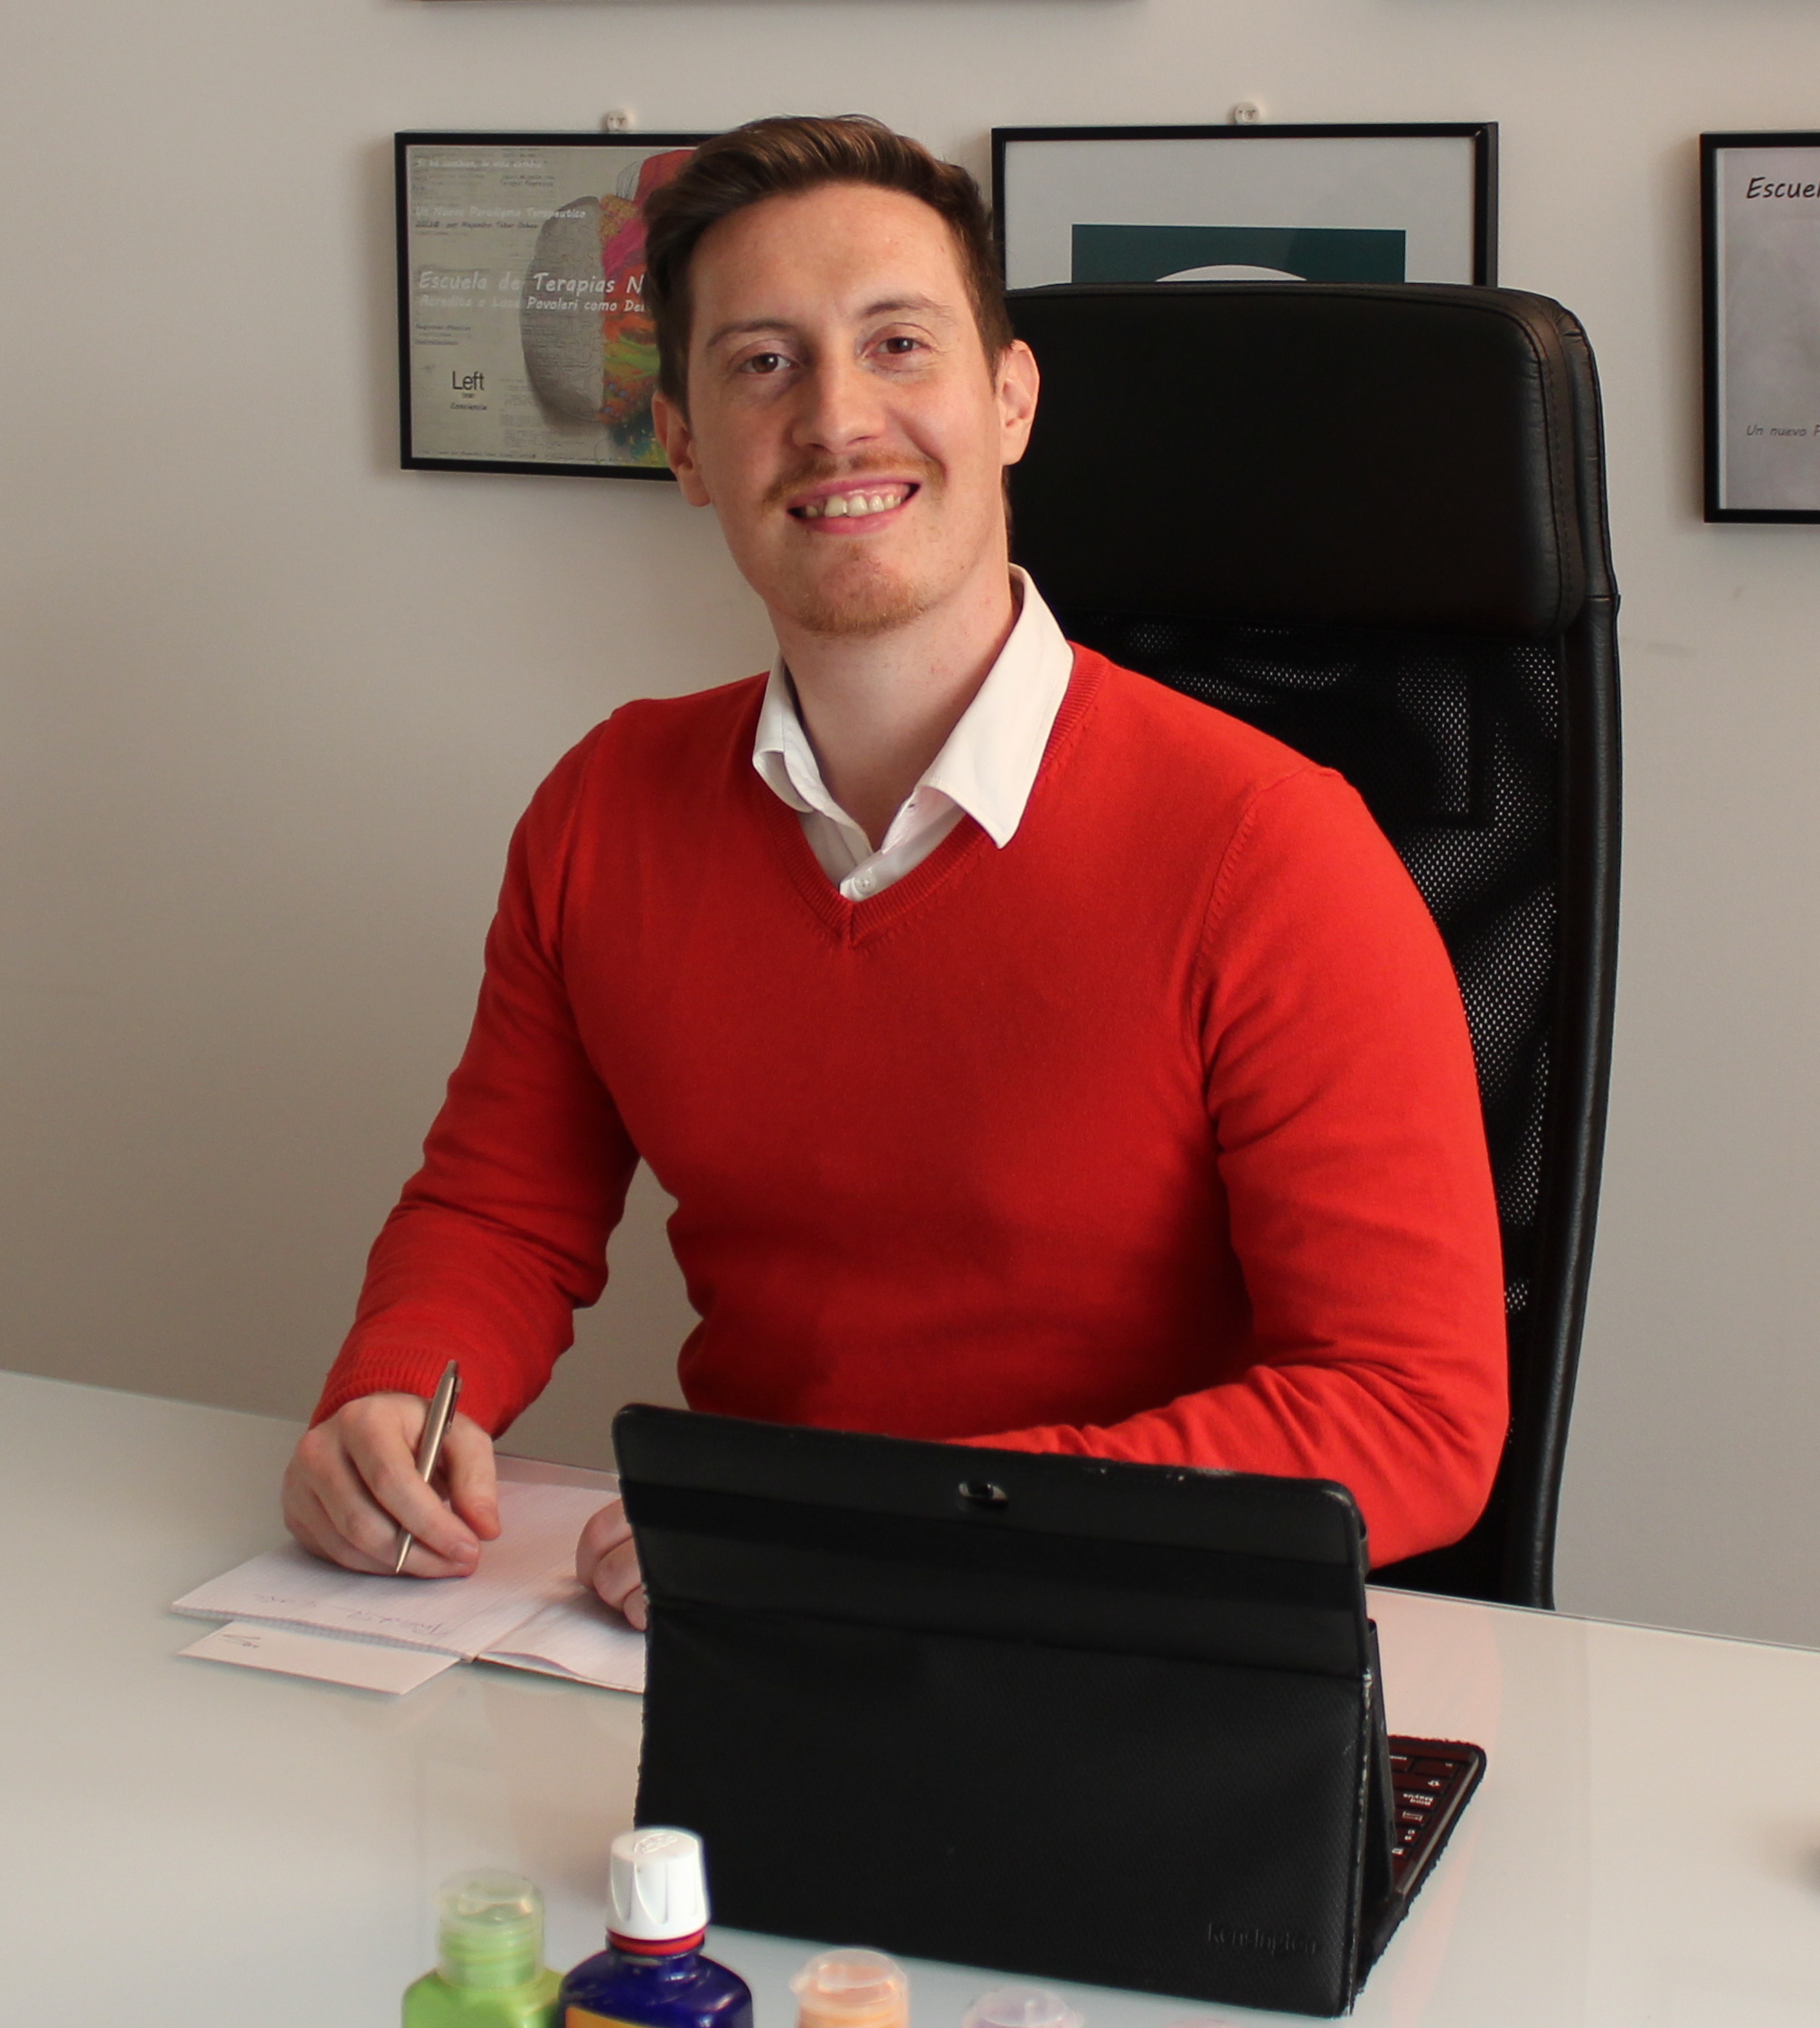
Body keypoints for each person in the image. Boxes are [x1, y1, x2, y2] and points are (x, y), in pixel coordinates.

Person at [282, 115, 1507, 1627]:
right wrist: (397, 1391)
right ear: (683, 443)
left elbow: (1409, 1413)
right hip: (734, 1642)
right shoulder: (605, 808)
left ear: (1009, 398)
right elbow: (499, 1212)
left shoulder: (1272, 847)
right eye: (761, 362)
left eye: (898, 345)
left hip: (1117, 1648)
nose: (837, 419)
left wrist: (876, 1537)